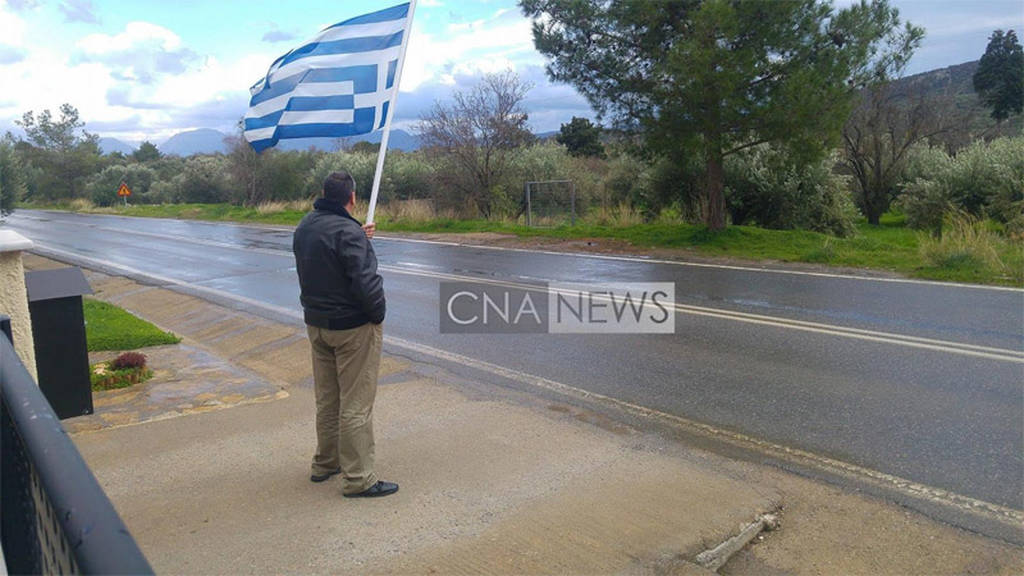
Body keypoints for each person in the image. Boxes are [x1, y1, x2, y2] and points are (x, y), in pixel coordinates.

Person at [292, 171, 398, 498]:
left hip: (317, 324)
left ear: (323, 193)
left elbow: (329, 256)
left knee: (328, 399)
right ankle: (359, 478)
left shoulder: (306, 226)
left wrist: (358, 236)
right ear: (352, 198)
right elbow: (366, 284)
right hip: (353, 328)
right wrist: (377, 314)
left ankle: (325, 462)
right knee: (356, 403)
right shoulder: (348, 233)